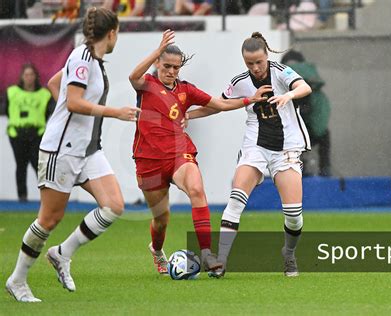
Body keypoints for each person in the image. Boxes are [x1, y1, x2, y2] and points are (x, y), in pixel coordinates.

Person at [5, 7, 140, 303]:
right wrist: (111, 112)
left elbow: (56, 86)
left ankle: (62, 254)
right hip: (62, 150)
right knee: (49, 219)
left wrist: (69, 112)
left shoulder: (91, 59)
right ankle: (17, 280)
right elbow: (75, 101)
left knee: (114, 205)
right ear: (112, 33)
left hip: (87, 150)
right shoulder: (82, 58)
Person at [128, 30, 271, 274]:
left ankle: (206, 253)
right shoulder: (147, 85)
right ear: (157, 64)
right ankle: (157, 250)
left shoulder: (186, 90)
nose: (171, 71)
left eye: (176, 67)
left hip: (179, 153)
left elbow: (222, 104)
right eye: (166, 66)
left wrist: (250, 100)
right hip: (148, 159)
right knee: (161, 220)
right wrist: (157, 49)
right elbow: (133, 76)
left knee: (196, 189)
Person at [186, 32, 312, 277]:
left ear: (266, 55)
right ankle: (220, 262)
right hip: (255, 147)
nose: (255, 68)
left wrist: (289, 94)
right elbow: (218, 105)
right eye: (249, 63)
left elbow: (304, 87)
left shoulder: (281, 72)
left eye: (259, 62)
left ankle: (288, 253)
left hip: (286, 149)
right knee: (235, 201)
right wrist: (187, 115)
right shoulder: (240, 82)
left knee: (294, 216)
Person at [6, 63, 55, 202]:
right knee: (21, 165)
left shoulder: (44, 94)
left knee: (38, 165)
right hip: (17, 133)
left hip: (36, 134)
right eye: (26, 75)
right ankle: (22, 197)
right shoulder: (13, 92)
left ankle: (46, 197)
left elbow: (48, 113)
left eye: (31, 75)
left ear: (35, 76)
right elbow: (8, 110)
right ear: (22, 76)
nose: (29, 78)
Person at [281, 50, 331, 177]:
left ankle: (305, 169)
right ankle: (322, 170)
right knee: (323, 135)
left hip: (301, 131)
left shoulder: (310, 93)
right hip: (305, 131)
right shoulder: (313, 89)